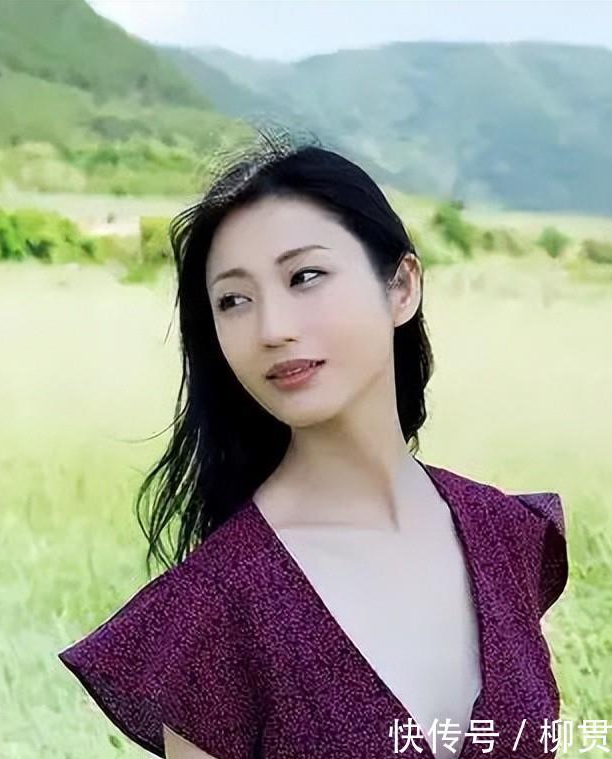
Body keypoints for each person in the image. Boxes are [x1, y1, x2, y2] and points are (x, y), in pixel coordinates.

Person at [56, 128, 568, 759]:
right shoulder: (215, 610)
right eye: (234, 300)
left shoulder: (506, 533)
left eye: (305, 276)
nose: (272, 329)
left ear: (401, 287)